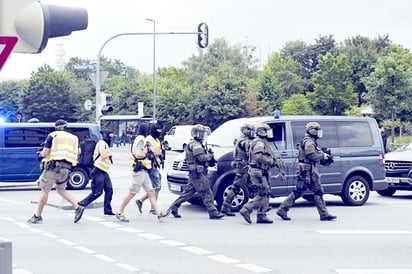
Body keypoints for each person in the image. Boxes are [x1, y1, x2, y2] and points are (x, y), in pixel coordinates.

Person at [276, 122, 337, 221]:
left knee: (318, 191)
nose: (319, 133)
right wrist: (323, 156)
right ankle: (282, 209)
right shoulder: (309, 142)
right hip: (306, 171)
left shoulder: (310, 141)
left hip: (310, 170)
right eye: (317, 130)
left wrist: (323, 155)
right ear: (312, 131)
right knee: (299, 191)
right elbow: (311, 155)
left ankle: (324, 214)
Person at [27, 119, 85, 224]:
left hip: (53, 168)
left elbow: (45, 153)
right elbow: (79, 151)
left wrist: (39, 154)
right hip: (66, 168)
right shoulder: (74, 138)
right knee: (61, 190)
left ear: (56, 127)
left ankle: (37, 216)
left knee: (45, 190)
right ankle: (77, 207)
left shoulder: (52, 136)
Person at [167, 124, 225, 220]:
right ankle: (213, 212)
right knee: (207, 191)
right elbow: (201, 157)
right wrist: (210, 156)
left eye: (203, 133)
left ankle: (174, 207)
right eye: (200, 133)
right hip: (196, 172)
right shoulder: (195, 145)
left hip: (196, 172)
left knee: (188, 193)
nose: (202, 135)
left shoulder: (198, 144)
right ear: (194, 134)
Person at [115, 123, 168, 222]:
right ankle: (120, 212)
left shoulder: (139, 139)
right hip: (139, 169)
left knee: (151, 192)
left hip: (143, 169)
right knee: (132, 192)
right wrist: (147, 153)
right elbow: (138, 154)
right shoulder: (141, 140)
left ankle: (159, 214)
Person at [239, 123, 284, 224]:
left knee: (265, 192)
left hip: (262, 171)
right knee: (263, 193)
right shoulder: (260, 143)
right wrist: (270, 161)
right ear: (262, 132)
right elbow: (258, 156)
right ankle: (246, 209)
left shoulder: (263, 142)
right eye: (267, 131)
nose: (270, 133)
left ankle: (261, 215)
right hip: (258, 172)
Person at [221, 123, 255, 216]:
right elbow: (250, 154)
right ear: (245, 130)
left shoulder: (239, 139)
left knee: (253, 185)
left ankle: (261, 205)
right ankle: (225, 207)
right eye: (250, 130)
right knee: (236, 188)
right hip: (243, 167)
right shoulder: (245, 141)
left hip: (240, 166)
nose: (252, 133)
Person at [78, 129, 115, 215]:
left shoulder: (105, 144)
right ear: (106, 135)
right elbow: (103, 154)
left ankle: (107, 210)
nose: (111, 137)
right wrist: (109, 154)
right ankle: (81, 204)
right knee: (97, 192)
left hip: (103, 170)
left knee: (109, 190)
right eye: (110, 135)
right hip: (98, 170)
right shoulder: (102, 143)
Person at [136, 123, 163, 215]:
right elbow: (153, 151)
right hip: (150, 165)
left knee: (156, 187)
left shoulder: (156, 140)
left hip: (155, 165)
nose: (159, 132)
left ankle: (143, 202)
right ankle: (152, 208)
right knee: (156, 187)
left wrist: (159, 153)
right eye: (157, 130)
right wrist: (158, 152)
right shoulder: (148, 139)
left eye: (160, 130)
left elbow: (159, 151)